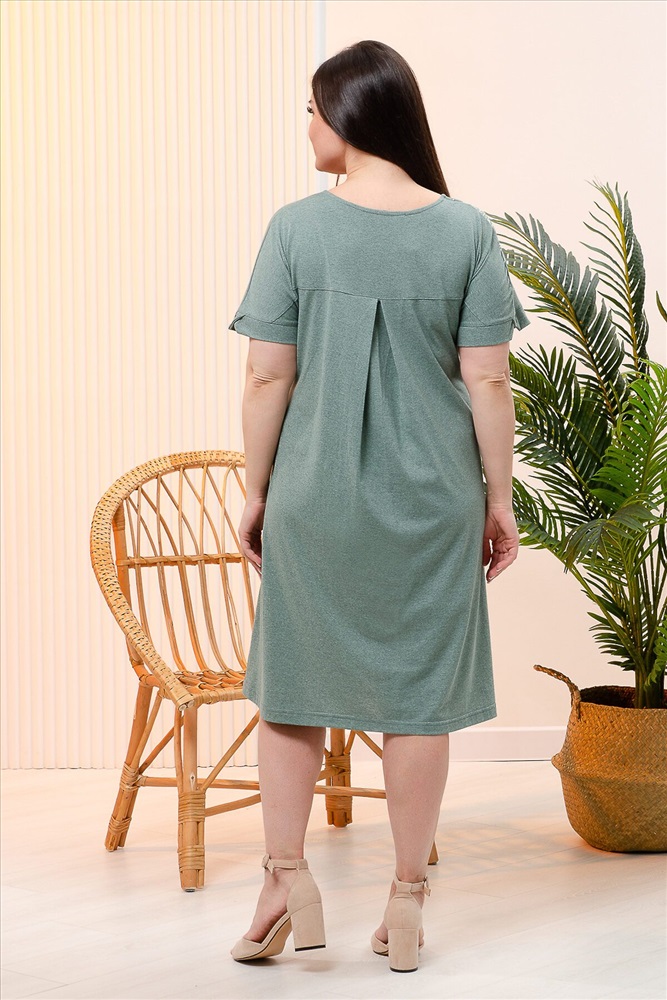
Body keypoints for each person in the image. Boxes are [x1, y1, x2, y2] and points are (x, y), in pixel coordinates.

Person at [227, 39, 529, 973]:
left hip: (314, 497)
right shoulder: (465, 231)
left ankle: (285, 881)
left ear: (350, 115)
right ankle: (405, 902)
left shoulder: (296, 229)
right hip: (433, 502)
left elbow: (266, 374)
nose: (306, 127)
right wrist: (498, 501)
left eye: (311, 110)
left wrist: (256, 490)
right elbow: (488, 382)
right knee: (418, 702)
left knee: (292, 691)